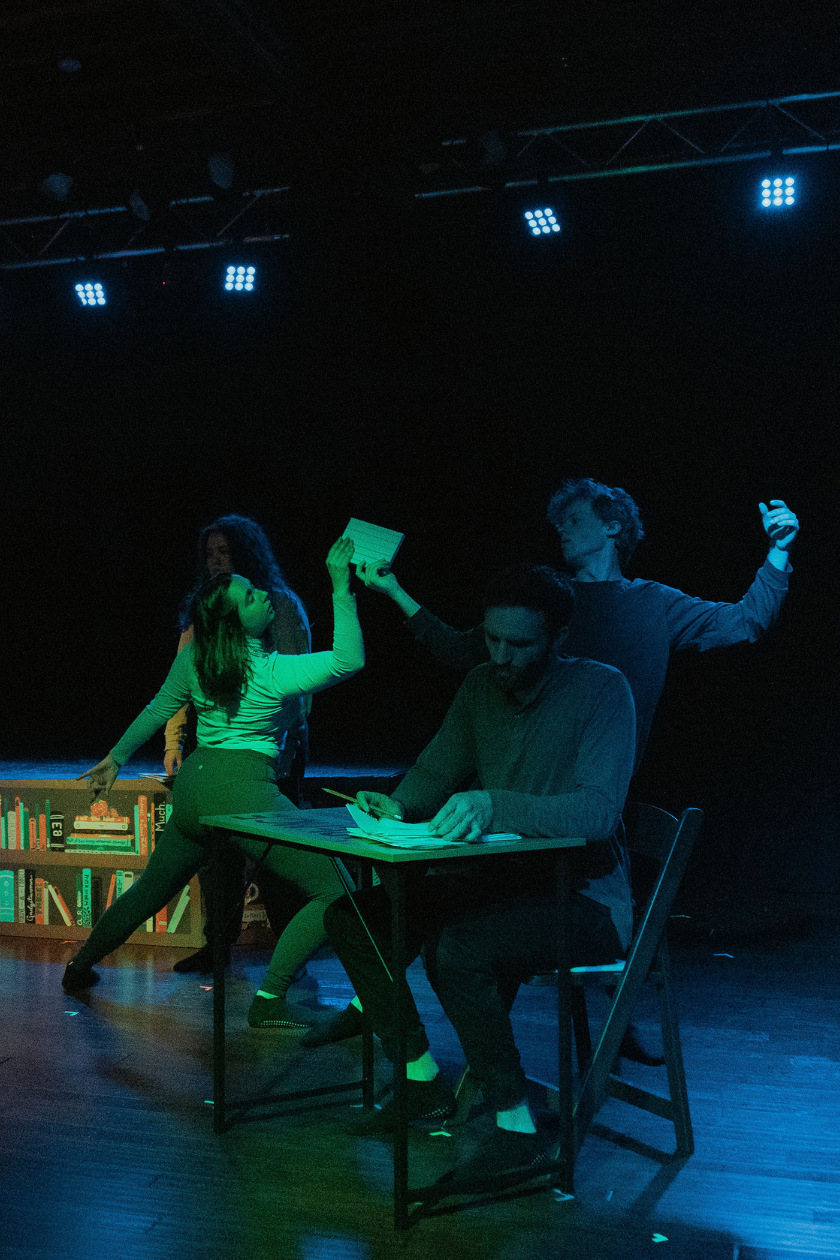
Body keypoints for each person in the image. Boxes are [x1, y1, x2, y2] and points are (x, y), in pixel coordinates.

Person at [319, 563, 636, 1191]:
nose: (501, 656)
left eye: (520, 644)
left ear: (559, 638)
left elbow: (597, 813)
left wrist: (495, 804)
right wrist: (397, 805)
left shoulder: (602, 690)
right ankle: (420, 1079)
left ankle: (519, 1128)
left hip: (585, 900)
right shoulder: (479, 686)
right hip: (501, 883)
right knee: (355, 919)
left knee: (458, 949)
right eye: (492, 638)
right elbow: (436, 771)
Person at [62, 537, 364, 1034]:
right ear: (234, 623)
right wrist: (341, 588)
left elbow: (157, 709)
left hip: (195, 788)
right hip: (242, 791)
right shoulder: (270, 671)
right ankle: (270, 998)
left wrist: (116, 757)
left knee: (151, 890)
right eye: (250, 598)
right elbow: (349, 660)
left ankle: (78, 966)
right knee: (338, 889)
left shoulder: (196, 658)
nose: (262, 595)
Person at [355, 483, 799, 768]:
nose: (562, 531)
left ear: (612, 526)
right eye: (559, 524)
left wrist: (778, 551)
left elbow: (745, 622)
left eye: (574, 520)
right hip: (522, 768)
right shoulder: (547, 596)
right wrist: (394, 590)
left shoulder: (654, 602)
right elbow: (460, 651)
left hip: (601, 778)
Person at [163, 514, 312, 976]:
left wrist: (279, 751)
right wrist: (173, 742)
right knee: (218, 856)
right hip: (220, 753)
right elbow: (182, 679)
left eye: (224, 552)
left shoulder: (277, 605)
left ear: (246, 555)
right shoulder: (206, 608)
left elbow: (296, 686)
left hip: (271, 751)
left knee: (275, 857)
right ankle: (218, 947)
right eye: (209, 554)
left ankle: (293, 955)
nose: (215, 562)